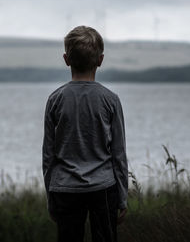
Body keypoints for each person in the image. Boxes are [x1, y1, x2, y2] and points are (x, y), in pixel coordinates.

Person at [42, 25, 128, 242]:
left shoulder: (55, 100)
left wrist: (50, 195)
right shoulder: (111, 100)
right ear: (100, 60)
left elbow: (48, 155)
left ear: (66, 59)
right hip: (104, 188)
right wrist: (122, 197)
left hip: (65, 189)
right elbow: (118, 154)